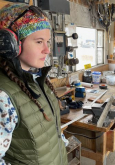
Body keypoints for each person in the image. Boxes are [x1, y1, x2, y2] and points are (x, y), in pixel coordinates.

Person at [0, 3, 68, 165]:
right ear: (10, 43)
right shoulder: (3, 95)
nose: (47, 50)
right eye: (39, 42)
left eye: (47, 42)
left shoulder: (38, 78)